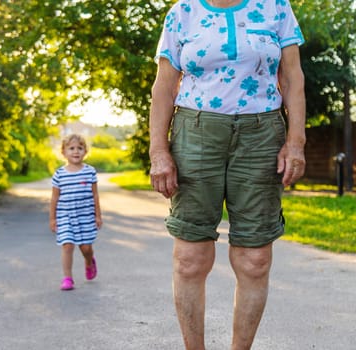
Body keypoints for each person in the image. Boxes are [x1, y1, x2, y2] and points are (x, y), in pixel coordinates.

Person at [149, 0, 306, 349]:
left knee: (255, 258)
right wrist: (158, 151)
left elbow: (293, 77)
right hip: (196, 131)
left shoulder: (276, 7)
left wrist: (296, 141)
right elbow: (163, 86)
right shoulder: (182, 12)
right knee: (190, 258)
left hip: (262, 133)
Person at [50, 134, 102, 291]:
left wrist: (97, 215)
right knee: (67, 245)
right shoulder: (59, 174)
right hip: (65, 216)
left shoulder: (90, 172)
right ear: (64, 152)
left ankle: (89, 261)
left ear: (85, 151)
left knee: (86, 248)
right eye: (71, 148)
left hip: (85, 216)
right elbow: (54, 198)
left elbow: (95, 195)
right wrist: (52, 219)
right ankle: (67, 278)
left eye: (80, 148)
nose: (75, 151)